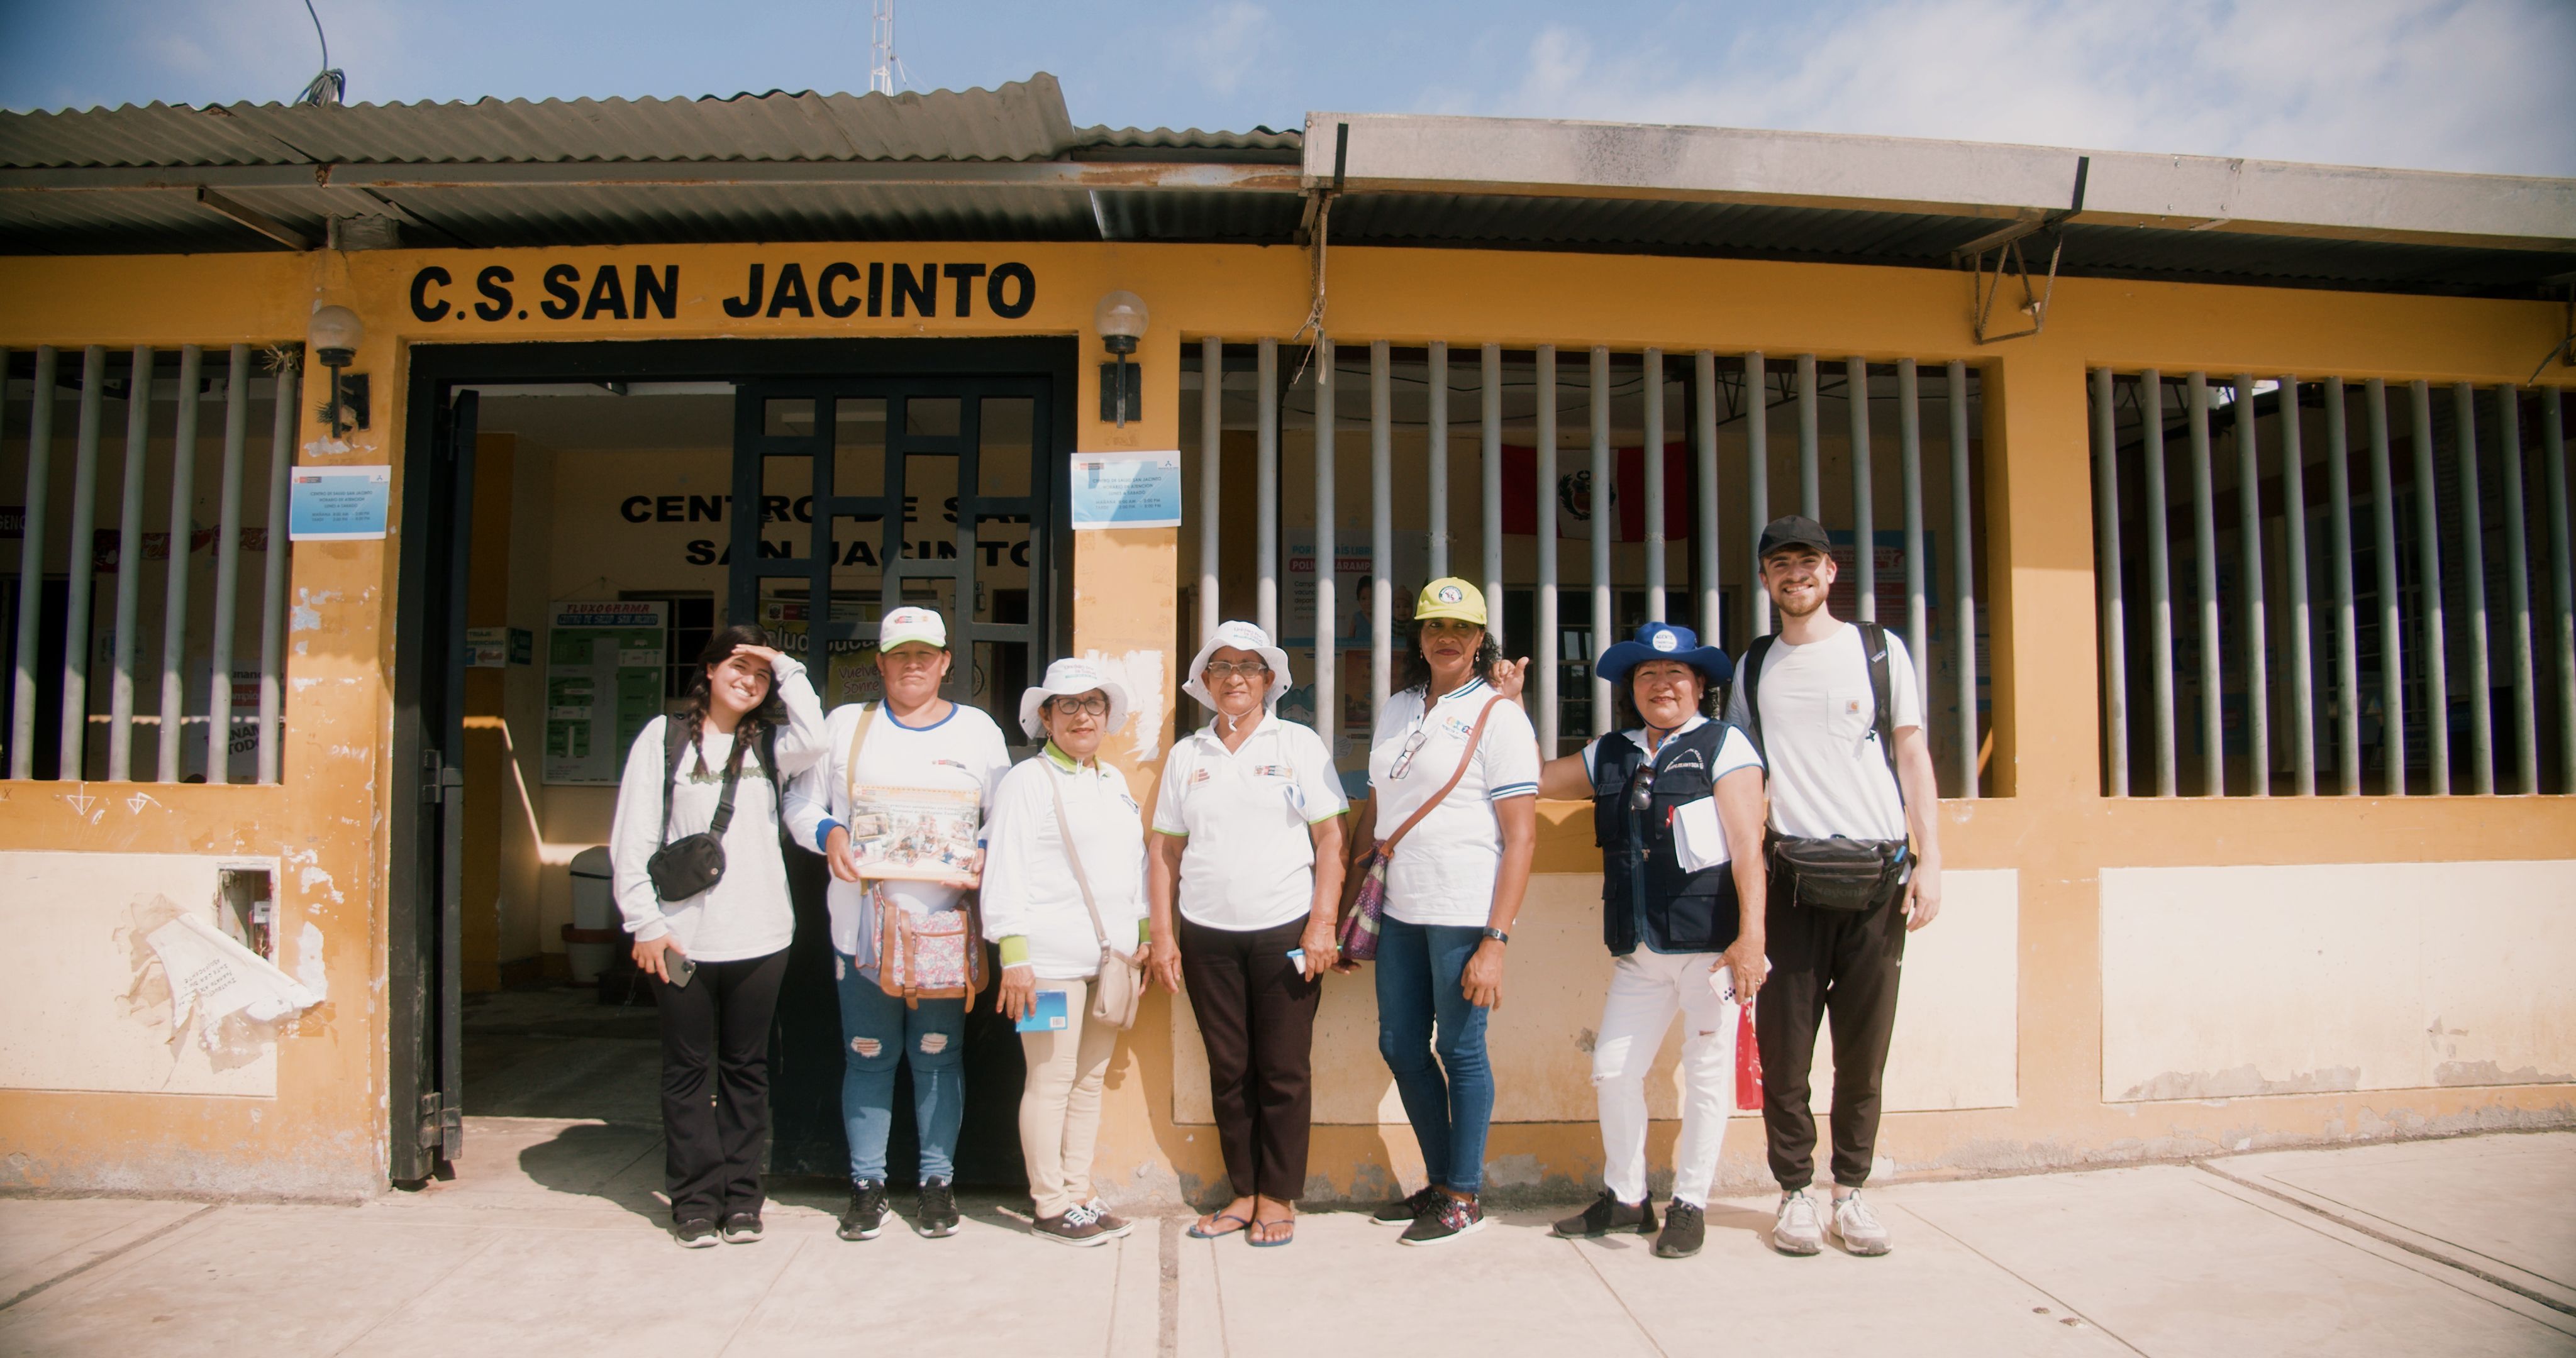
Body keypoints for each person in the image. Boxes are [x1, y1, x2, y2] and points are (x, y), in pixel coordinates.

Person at [1511, 623, 1768, 1261]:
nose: (1661, 685)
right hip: (1640, 951)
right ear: (1632, 688)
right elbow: (1538, 778)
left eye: (1676, 674)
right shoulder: (1614, 751)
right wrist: (1513, 707)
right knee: (1614, 1070)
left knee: (1706, 1079)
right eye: (1647, 675)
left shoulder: (1724, 745)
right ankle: (1627, 1197)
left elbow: (1746, 848)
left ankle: (1690, 1203)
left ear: (1700, 685)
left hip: (1711, 948)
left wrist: (1751, 938)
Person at [1729, 515, 1944, 1258]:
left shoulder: (1879, 651)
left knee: (1863, 1054)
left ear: (1830, 571)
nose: (1794, 575)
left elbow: (1912, 757)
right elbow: (1743, 778)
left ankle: (1849, 1193)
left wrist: (1932, 861)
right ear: (1764, 580)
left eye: (1807, 561)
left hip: (1878, 877)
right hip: (1791, 878)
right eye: (1778, 564)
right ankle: (1793, 1192)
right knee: (1786, 1054)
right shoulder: (1753, 666)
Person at [782, 607, 1012, 1243]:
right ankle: (868, 1185)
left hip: (943, 929)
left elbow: (1004, 815)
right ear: (879, 664)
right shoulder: (844, 727)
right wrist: (827, 832)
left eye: (925, 655)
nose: (912, 666)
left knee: (938, 1057)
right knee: (868, 1055)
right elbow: (800, 802)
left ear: (944, 663)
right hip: (860, 929)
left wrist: (985, 851)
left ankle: (937, 1184)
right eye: (899, 655)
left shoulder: (977, 732)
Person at [608, 625, 828, 1248]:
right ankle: (695, 1201)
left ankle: (741, 1200)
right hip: (680, 945)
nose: (748, 680)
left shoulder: (770, 744)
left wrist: (784, 664)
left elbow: (819, 738)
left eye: (757, 674)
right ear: (707, 670)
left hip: (761, 940)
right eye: (736, 665)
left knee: (746, 1068)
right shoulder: (665, 737)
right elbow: (633, 837)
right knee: (686, 1068)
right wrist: (645, 924)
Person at [1353, 578, 1541, 1246]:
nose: (1446, 638)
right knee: (1400, 1045)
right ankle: (1440, 1183)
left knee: (1460, 1048)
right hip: (1400, 907)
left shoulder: (1500, 715)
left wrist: (1496, 940)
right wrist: (1351, 896)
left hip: (1463, 909)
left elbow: (1520, 836)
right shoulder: (1400, 706)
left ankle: (1464, 1192)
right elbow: (1378, 807)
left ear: (1481, 638)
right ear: (1418, 635)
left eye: (1460, 629)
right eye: (1434, 626)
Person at [1148, 621, 1347, 1248]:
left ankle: (1278, 1196)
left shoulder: (1298, 744)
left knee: (1283, 1070)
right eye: (1222, 666)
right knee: (1229, 1070)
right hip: (1206, 935)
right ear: (1205, 682)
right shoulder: (1188, 755)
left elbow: (1332, 841)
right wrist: (1163, 935)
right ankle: (1242, 1192)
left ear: (1269, 680)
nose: (1235, 677)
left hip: (1284, 930)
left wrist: (1321, 924)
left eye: (1248, 666)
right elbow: (1164, 853)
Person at [981, 657, 1154, 1246]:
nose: (1084, 716)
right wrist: (1014, 955)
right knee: (1050, 1081)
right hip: (1046, 964)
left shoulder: (1113, 782)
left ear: (1108, 716)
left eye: (1094, 705)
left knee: (1089, 1080)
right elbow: (1003, 870)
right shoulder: (1027, 782)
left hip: (1109, 964)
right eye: (1069, 706)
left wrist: (1144, 938)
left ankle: (1080, 1192)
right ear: (1046, 718)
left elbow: (1131, 870)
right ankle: (1050, 1203)